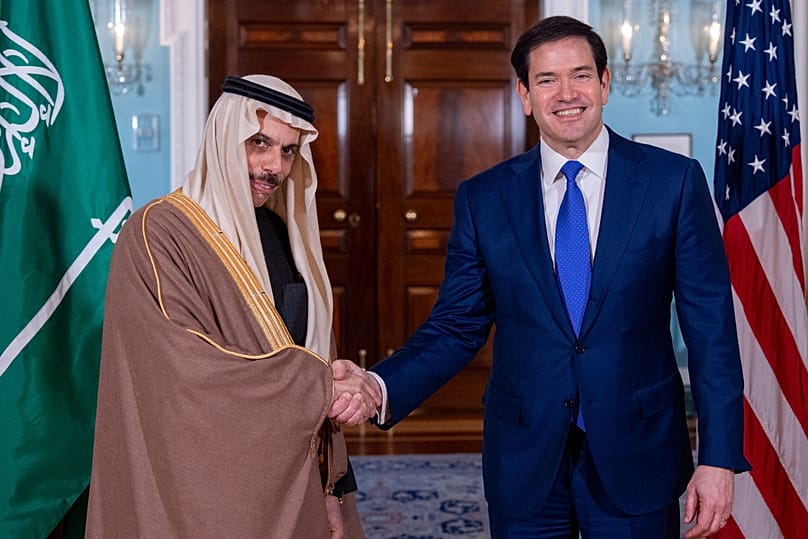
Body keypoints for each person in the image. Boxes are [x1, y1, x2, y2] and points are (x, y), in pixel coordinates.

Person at [333, 15, 750, 539]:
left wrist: (718, 458)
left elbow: (711, 330)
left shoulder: (673, 182)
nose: (566, 93)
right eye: (547, 80)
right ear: (525, 95)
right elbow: (456, 327)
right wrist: (377, 385)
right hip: (524, 455)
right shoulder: (484, 198)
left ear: (604, 84)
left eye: (579, 75)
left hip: (638, 449)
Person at [86, 75, 379, 538]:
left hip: (294, 474)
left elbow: (311, 349)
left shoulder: (282, 235)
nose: (273, 167)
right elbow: (187, 373)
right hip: (203, 493)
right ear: (224, 138)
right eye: (259, 143)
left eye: (287, 151)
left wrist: (331, 489)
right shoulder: (157, 233)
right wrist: (322, 386)